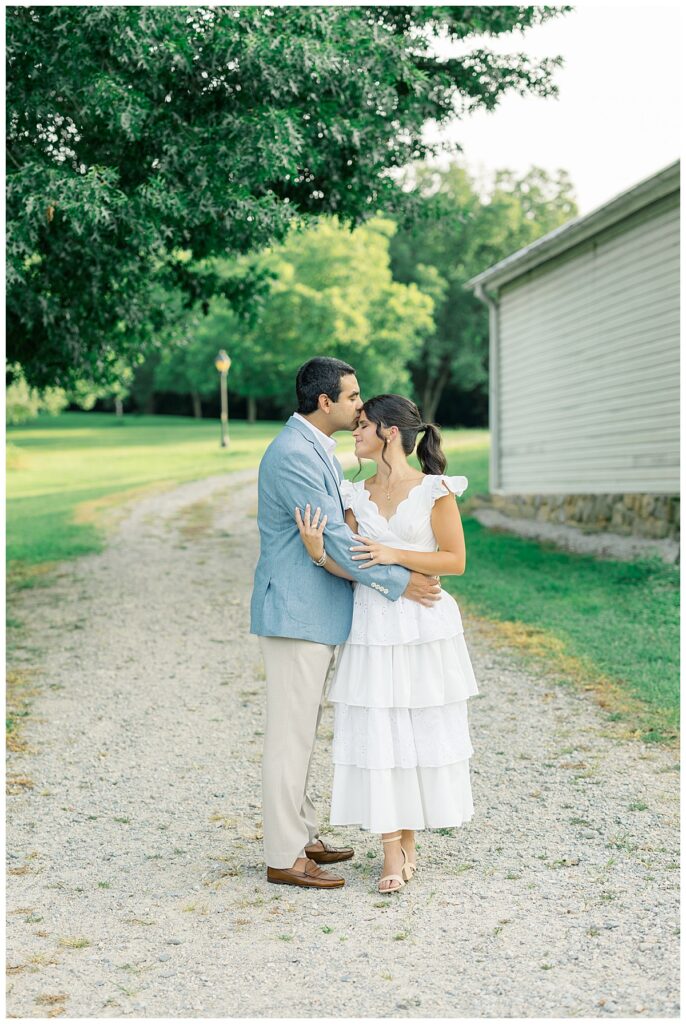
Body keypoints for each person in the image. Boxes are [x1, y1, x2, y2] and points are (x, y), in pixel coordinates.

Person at [250, 359, 443, 890]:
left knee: (302, 733)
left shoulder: (314, 448)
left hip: (312, 614)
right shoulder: (295, 455)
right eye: (353, 396)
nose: (360, 405)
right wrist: (402, 581)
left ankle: (303, 834)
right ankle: (284, 856)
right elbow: (336, 539)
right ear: (325, 402)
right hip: (296, 614)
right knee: (289, 738)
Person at [295, 393, 478, 893]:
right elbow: (353, 566)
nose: (354, 433)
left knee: (415, 733)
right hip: (373, 627)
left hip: (424, 628)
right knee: (380, 734)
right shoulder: (354, 496)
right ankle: (392, 851)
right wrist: (318, 553)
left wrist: (394, 555)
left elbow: (455, 560)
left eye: (362, 425)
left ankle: (407, 842)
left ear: (389, 432)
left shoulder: (435, 490)